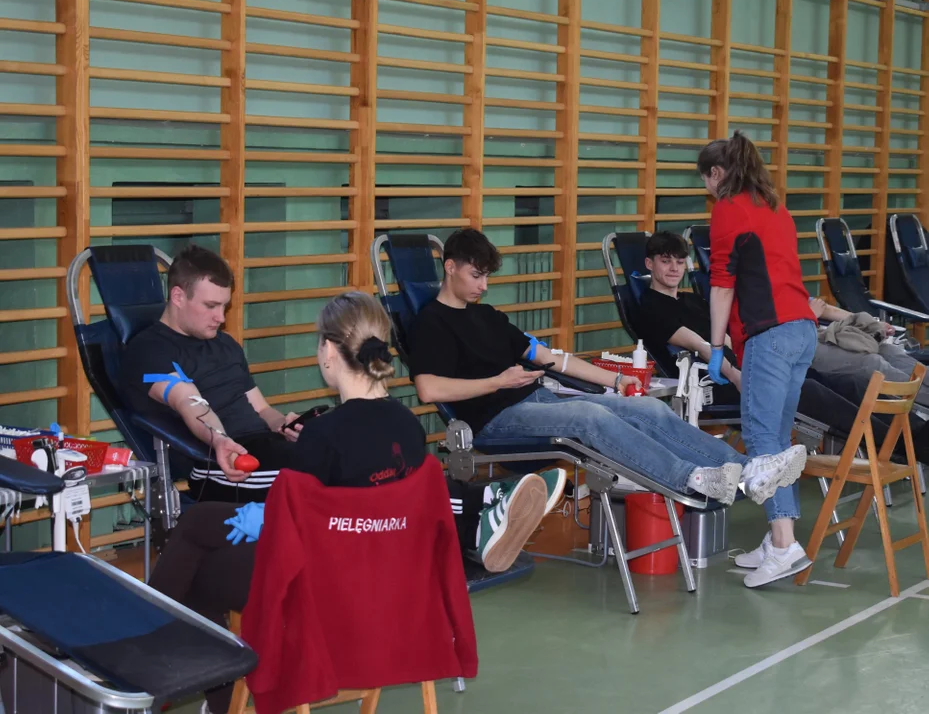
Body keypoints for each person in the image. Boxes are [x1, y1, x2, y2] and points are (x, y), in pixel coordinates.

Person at [148, 290, 564, 714]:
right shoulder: (408, 428)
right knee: (200, 522)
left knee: (194, 574)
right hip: (393, 581)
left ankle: (159, 675)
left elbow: (292, 532)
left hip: (327, 592)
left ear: (329, 351)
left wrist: (266, 514)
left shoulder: (322, 436)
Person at [406, 227, 809, 531]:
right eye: (476, 276)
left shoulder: (487, 317)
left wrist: (615, 382)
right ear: (450, 267)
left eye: (487, 277)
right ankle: (691, 477)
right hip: (492, 420)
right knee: (590, 419)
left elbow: (551, 359)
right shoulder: (431, 323)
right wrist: (497, 382)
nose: (483, 286)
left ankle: (748, 469)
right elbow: (429, 389)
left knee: (645, 407)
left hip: (535, 401)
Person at [635, 230, 929, 464]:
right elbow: (701, 345)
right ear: (650, 264)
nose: (674, 268)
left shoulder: (692, 300)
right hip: (722, 382)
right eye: (665, 261)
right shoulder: (650, 308)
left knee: (852, 383)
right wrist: (736, 375)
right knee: (812, 392)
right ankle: (906, 446)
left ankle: (916, 432)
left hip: (760, 368)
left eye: (679, 262)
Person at [698, 131, 819, 586]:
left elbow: (722, 284)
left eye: (705, 181)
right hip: (803, 330)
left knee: (763, 439)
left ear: (716, 173)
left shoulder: (728, 208)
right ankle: (777, 538)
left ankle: (785, 546)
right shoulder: (773, 204)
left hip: (770, 335)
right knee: (779, 443)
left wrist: (715, 347)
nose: (707, 190)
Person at [120, 244, 302, 503]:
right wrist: (220, 440)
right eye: (211, 306)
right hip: (220, 463)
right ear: (178, 296)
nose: (221, 318)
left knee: (340, 454)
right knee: (321, 473)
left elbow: (261, 409)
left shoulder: (225, 344)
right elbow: (189, 401)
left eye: (224, 306)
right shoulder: (149, 350)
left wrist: (283, 424)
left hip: (265, 447)